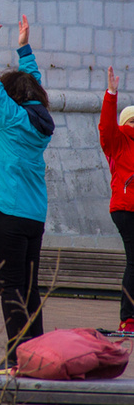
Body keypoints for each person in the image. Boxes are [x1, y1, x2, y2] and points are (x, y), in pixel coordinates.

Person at [0, 7, 54, 369]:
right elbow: (32, 85)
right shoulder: (39, 120)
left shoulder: (8, 117)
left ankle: (17, 360)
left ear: (12, 98)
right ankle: (37, 357)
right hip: (32, 216)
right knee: (29, 288)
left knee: (10, 288)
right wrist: (24, 49)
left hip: (4, 212)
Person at [99, 66, 134, 333]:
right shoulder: (118, 140)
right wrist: (111, 94)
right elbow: (106, 127)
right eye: (131, 121)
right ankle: (127, 319)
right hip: (125, 208)